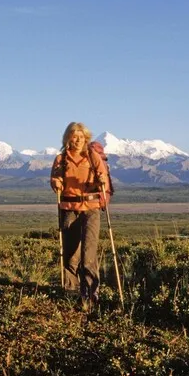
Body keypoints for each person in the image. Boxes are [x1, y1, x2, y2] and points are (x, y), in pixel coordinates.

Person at [50, 122, 108, 311]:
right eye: (74, 137)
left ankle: (90, 295)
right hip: (69, 208)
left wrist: (101, 183)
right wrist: (56, 183)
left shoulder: (93, 157)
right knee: (70, 254)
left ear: (86, 139)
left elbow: (104, 180)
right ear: (68, 138)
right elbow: (55, 180)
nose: (77, 141)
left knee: (88, 253)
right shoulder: (61, 159)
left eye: (80, 137)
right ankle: (71, 292)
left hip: (90, 207)